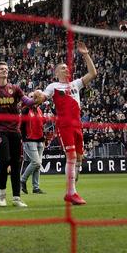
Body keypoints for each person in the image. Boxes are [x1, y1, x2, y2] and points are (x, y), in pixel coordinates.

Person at [32, 41, 97, 205]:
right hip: (65, 124)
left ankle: (73, 187)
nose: (66, 69)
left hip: (78, 124)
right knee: (72, 156)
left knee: (79, 158)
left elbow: (93, 73)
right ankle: (71, 193)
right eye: (62, 68)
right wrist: (37, 95)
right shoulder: (53, 86)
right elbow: (42, 97)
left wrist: (85, 54)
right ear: (56, 73)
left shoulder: (75, 84)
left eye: (67, 68)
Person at [0, 61, 34, 208]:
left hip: (15, 130)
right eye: (1, 69)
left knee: (16, 164)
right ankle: (2, 195)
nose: (4, 71)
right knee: (5, 161)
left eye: (6, 69)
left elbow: (27, 101)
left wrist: (37, 98)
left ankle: (17, 198)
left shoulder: (15, 88)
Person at [20, 102, 47, 195]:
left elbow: (41, 124)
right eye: (33, 98)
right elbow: (21, 125)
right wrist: (24, 138)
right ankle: (22, 180)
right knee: (36, 162)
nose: (35, 101)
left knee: (38, 165)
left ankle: (36, 187)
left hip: (40, 140)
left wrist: (44, 138)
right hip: (29, 139)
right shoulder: (26, 110)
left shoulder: (39, 110)